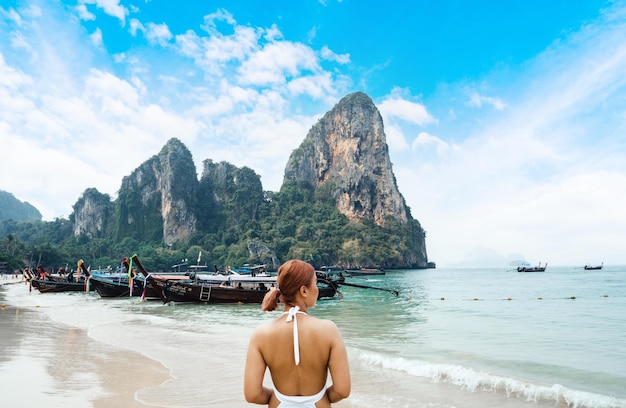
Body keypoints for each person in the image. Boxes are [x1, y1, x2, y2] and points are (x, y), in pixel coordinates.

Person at [244, 260, 350, 407]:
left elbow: (253, 394)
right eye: (315, 283)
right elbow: (342, 390)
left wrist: (279, 398)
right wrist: (319, 398)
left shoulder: (262, 333)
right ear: (304, 291)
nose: (317, 289)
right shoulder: (328, 330)